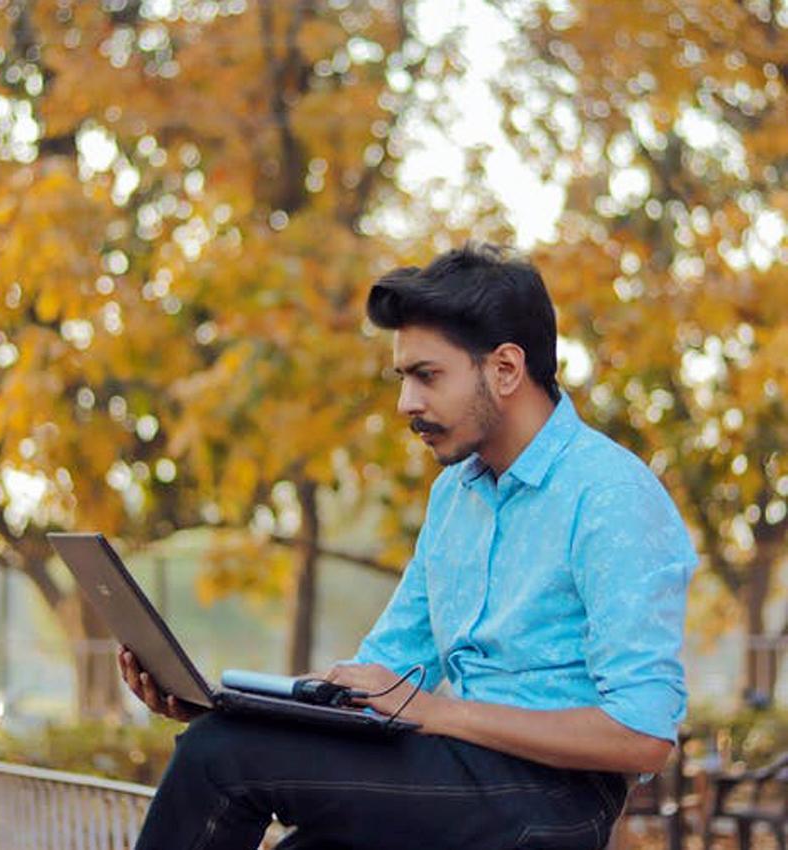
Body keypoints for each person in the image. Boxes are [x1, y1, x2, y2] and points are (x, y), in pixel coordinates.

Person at [120, 242, 697, 850]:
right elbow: (381, 675)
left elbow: (642, 734)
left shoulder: (610, 495)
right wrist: (231, 706)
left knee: (223, 757)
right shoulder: (455, 497)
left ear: (504, 369)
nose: (406, 404)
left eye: (427, 376)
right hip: (453, 772)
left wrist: (438, 712)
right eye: (403, 379)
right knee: (228, 746)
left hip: (554, 799)